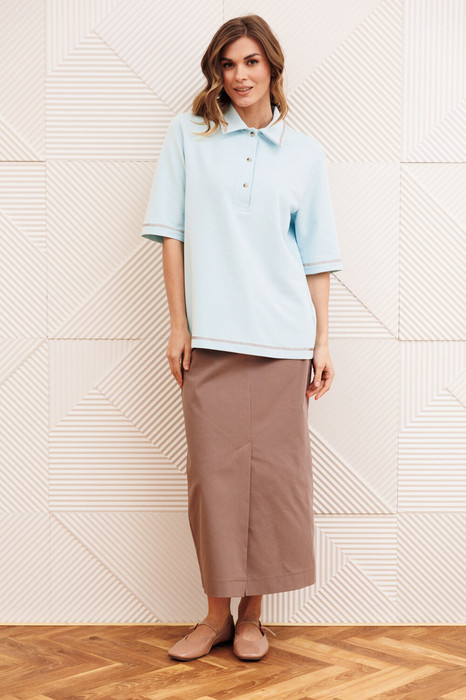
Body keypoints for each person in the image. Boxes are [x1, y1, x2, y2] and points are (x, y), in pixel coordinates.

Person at [140, 14, 343, 662]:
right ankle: (214, 616)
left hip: (283, 341)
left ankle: (253, 617)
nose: (239, 75)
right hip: (211, 339)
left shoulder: (304, 154)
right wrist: (178, 324)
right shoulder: (188, 136)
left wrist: (322, 342)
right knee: (214, 481)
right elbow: (171, 234)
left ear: (272, 67)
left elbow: (316, 258)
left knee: (274, 481)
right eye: (227, 64)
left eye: (251, 62)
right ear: (216, 72)